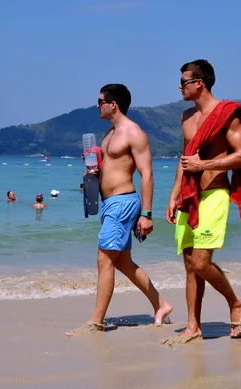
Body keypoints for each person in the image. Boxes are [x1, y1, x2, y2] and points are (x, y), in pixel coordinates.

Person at [66, 84, 172, 336]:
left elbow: (147, 174)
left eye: (100, 101)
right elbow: (109, 169)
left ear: (113, 104)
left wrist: (147, 214)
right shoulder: (108, 134)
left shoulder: (133, 132)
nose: (97, 105)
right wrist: (93, 171)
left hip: (123, 202)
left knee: (104, 259)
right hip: (110, 203)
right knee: (123, 262)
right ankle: (162, 305)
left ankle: (96, 322)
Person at [165, 59, 241, 343]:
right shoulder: (186, 118)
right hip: (189, 196)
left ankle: (234, 302)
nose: (179, 86)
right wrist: (173, 195)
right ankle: (193, 325)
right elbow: (184, 161)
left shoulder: (225, 114)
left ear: (199, 84)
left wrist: (203, 165)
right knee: (189, 264)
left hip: (215, 193)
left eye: (183, 82)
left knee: (202, 262)